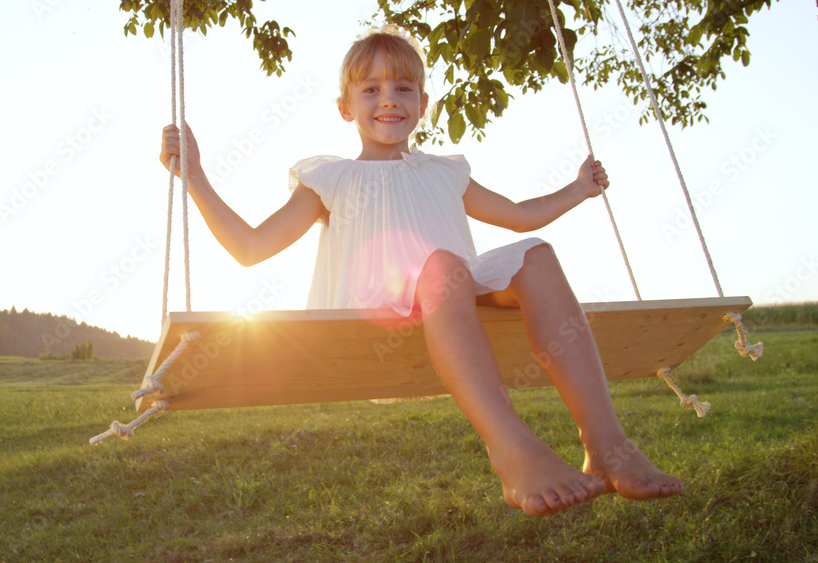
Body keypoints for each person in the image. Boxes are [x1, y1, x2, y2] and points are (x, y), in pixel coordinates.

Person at [159, 27, 684, 517]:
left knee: (535, 253)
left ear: (423, 105)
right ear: (345, 108)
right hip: (372, 312)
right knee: (441, 265)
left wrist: (579, 190)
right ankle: (511, 448)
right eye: (370, 89)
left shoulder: (445, 171)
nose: (389, 98)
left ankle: (606, 445)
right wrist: (196, 177)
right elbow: (251, 247)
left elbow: (520, 214)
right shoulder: (329, 179)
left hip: (453, 292)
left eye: (404, 87)